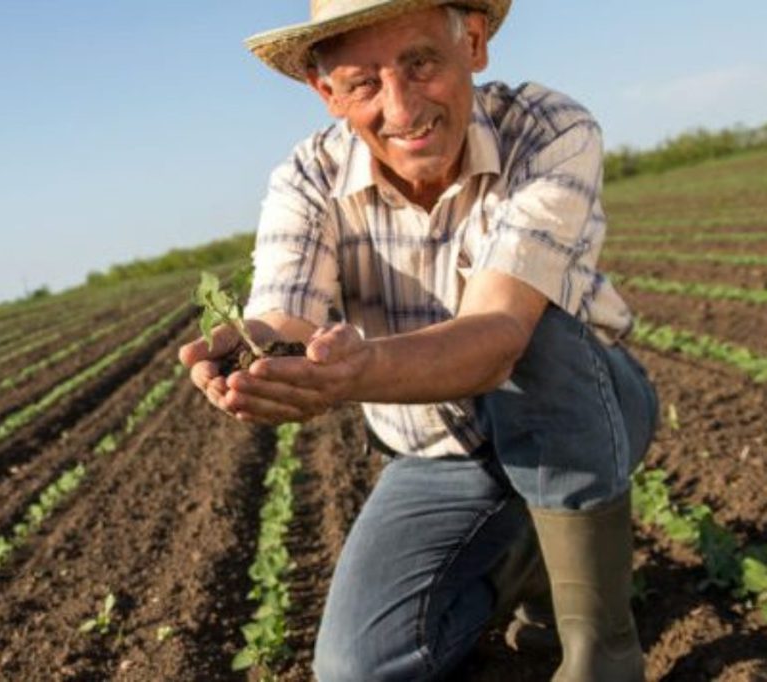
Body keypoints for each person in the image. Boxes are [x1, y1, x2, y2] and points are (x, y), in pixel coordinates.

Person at [178, 1, 659, 680]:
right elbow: (287, 316)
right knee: (356, 671)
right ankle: (524, 559)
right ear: (327, 93)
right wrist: (259, 351)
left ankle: (600, 651)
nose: (401, 109)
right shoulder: (309, 178)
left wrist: (359, 370)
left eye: (421, 63)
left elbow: (500, 335)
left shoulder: (545, 129)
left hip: (586, 415)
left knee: (541, 331)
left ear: (474, 42)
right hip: (440, 452)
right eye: (362, 83)